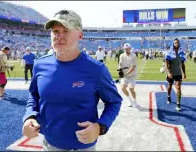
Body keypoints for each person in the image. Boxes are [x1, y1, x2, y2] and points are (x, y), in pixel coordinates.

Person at [22, 9, 122, 151]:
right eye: (55, 31)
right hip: (50, 144)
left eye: (66, 30)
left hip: (83, 147)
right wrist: (29, 116)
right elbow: (34, 95)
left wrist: (100, 126)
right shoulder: (40, 65)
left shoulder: (96, 70)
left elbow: (114, 101)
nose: (59, 36)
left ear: (80, 35)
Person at [165, 39, 187, 112]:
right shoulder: (169, 52)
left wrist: (184, 73)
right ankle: (168, 96)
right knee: (169, 86)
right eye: (175, 43)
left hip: (178, 73)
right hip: (171, 73)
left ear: (179, 44)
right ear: (173, 44)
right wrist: (168, 73)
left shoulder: (181, 53)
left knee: (178, 87)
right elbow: (166, 64)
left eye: (177, 43)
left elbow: (183, 64)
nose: (176, 44)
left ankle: (178, 104)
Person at [118, 43, 138, 107]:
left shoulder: (133, 56)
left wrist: (126, 74)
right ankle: (130, 100)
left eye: (128, 49)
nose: (127, 50)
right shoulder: (121, 56)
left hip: (132, 75)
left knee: (131, 89)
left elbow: (133, 67)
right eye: (125, 49)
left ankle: (135, 101)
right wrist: (119, 68)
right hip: (124, 76)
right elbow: (120, 64)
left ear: (130, 48)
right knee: (123, 88)